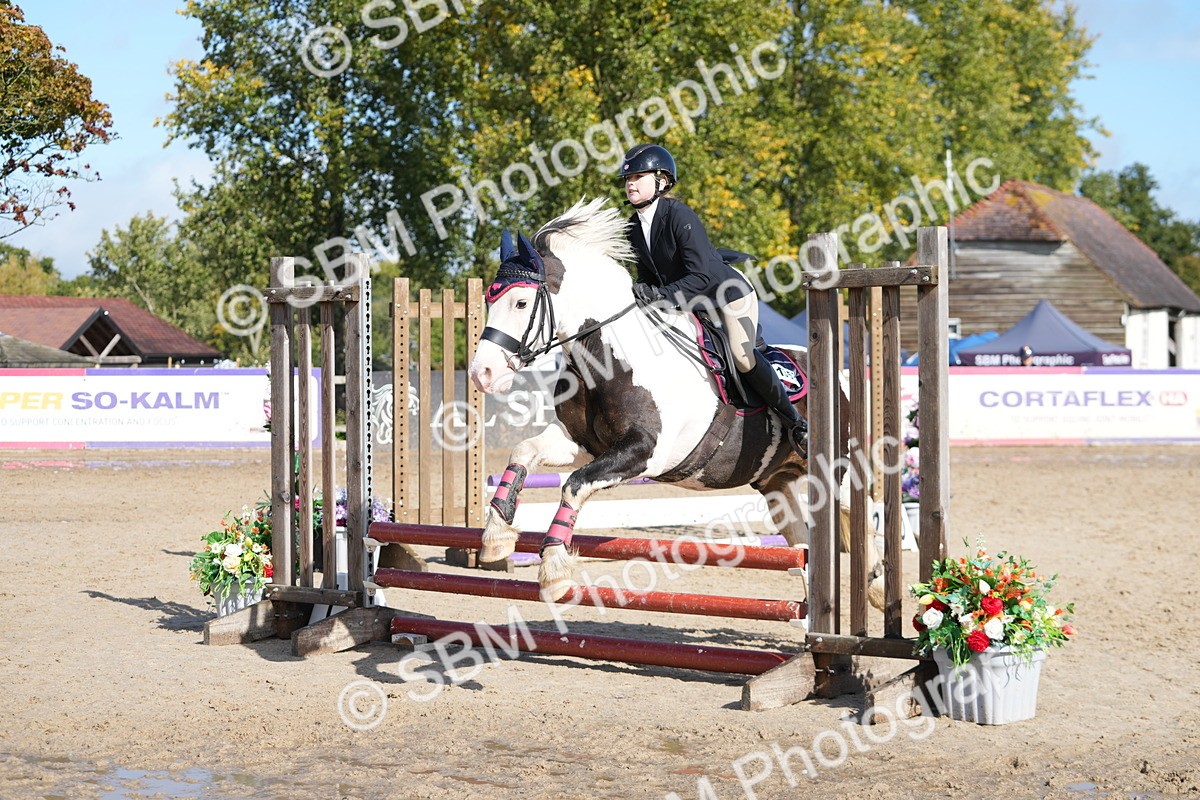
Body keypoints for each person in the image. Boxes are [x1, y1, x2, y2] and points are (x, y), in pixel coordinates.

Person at [618, 142, 807, 455]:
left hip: (725, 293)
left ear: (661, 181)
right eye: (627, 178)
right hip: (687, 299)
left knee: (742, 355)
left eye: (638, 175)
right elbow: (651, 278)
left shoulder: (678, 215)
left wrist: (660, 295)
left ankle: (795, 422)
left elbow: (703, 277)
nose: (630, 183)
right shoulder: (633, 228)